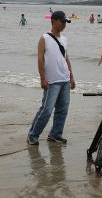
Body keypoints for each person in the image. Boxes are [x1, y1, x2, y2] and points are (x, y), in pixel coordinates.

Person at [27, 11, 76, 145]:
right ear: (54, 21)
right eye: (63, 21)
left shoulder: (64, 39)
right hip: (52, 81)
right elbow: (40, 59)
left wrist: (72, 77)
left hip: (65, 79)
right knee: (46, 110)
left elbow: (66, 59)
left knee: (62, 109)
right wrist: (43, 78)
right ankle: (33, 135)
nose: (65, 24)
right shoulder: (44, 38)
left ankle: (55, 134)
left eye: (66, 22)